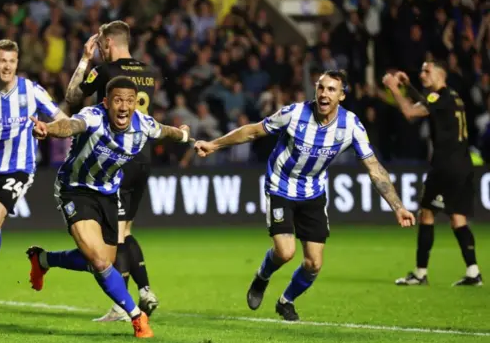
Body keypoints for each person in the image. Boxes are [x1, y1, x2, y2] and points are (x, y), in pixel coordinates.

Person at [194, 70, 415, 321]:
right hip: (281, 186)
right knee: (285, 252)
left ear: (341, 96)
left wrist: (397, 206)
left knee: (314, 264)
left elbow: (374, 167)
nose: (324, 93)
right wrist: (214, 145)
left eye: (331, 89)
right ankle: (262, 276)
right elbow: (254, 131)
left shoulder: (350, 125)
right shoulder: (295, 114)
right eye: (321, 88)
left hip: (313, 193)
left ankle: (285, 301)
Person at [26, 76, 191, 338]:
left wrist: (183, 134)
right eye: (117, 100)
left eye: (129, 101)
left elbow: (165, 130)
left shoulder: (143, 124)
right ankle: (137, 317)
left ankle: (43, 259)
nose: (123, 107)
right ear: (106, 102)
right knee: (101, 262)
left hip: (108, 194)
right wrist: (49, 129)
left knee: (102, 262)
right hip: (75, 189)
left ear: (135, 104)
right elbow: (71, 125)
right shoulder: (93, 116)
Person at [64, 20, 160, 321]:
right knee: (125, 232)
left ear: (107, 43)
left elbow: (73, 97)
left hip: (112, 158)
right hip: (142, 156)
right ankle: (141, 290)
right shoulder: (148, 74)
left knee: (114, 238)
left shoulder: (105, 72)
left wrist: (84, 59)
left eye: (102, 45)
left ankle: (124, 303)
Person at [0, 39, 67, 307]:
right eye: (2, 61)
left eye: (12, 61)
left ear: (17, 63)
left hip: (19, 168)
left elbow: (61, 118)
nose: (7, 66)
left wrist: (47, 129)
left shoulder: (31, 90)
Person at [383, 61, 483, 286]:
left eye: (427, 71)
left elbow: (410, 112)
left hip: (445, 166)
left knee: (426, 214)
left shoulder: (439, 97)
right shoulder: (453, 97)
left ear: (440, 74)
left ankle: (420, 273)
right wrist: (408, 87)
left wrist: (394, 88)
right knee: (458, 218)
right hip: (463, 164)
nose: (423, 74)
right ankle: (473, 272)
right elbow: (429, 103)